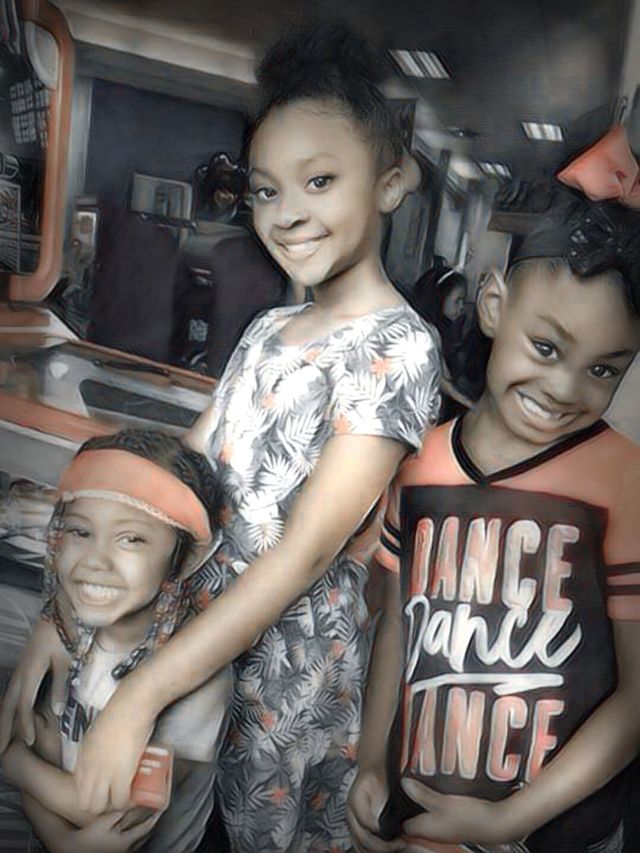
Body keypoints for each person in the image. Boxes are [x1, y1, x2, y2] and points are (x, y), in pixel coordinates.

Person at [1, 24, 441, 852]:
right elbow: (179, 481)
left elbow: (303, 554)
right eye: (266, 190)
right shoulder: (269, 327)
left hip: (283, 679)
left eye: (319, 180)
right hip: (184, 635)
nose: (288, 213)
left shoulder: (400, 345)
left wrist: (138, 697)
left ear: (389, 182)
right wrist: (60, 623)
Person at [347, 194, 640, 853]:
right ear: (493, 303)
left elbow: (636, 699)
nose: (564, 388)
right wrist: (370, 762)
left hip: (559, 834)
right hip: (420, 816)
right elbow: (399, 628)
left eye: (603, 369)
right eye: (546, 347)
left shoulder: (626, 482)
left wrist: (511, 820)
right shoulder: (419, 462)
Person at [1, 429, 232, 852]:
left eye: (132, 538)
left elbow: (115, 815)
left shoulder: (200, 681)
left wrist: (12, 763)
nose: (96, 560)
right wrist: (63, 841)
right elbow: (41, 740)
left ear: (183, 556)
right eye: (80, 532)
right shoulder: (69, 629)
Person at [410, 265, 475, 419]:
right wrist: (470, 404)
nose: (462, 308)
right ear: (439, 297)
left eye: (463, 301)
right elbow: (442, 378)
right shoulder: (426, 332)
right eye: (457, 301)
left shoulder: (436, 330)